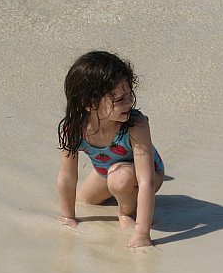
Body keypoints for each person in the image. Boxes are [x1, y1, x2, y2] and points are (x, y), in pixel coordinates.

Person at [57, 51, 164, 248]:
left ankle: (125, 212)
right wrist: (67, 217)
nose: (130, 102)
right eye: (120, 99)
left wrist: (142, 233)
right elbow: (67, 178)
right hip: (107, 170)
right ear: (90, 104)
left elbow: (146, 181)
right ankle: (121, 193)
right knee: (86, 200)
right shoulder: (73, 129)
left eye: (130, 94)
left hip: (148, 171)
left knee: (119, 179)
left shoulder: (135, 125)